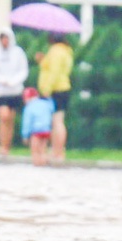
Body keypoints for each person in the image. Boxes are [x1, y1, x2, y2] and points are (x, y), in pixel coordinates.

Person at [0, 29, 30, 155]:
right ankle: (2, 146)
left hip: (14, 89)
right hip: (0, 90)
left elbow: (23, 70)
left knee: (10, 119)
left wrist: (14, 80)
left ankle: (7, 146)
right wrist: (1, 79)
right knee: (3, 116)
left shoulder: (18, 53)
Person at [36, 31, 75, 163]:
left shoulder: (56, 52)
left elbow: (54, 72)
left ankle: (57, 151)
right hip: (63, 87)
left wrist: (47, 88)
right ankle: (58, 151)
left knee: (56, 121)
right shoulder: (66, 51)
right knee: (58, 120)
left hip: (56, 89)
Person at [22, 87, 56, 164]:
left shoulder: (29, 107)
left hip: (36, 131)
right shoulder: (46, 104)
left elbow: (27, 123)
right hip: (46, 130)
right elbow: (52, 110)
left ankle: (37, 164)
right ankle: (44, 162)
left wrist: (25, 136)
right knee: (43, 149)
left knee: (35, 150)